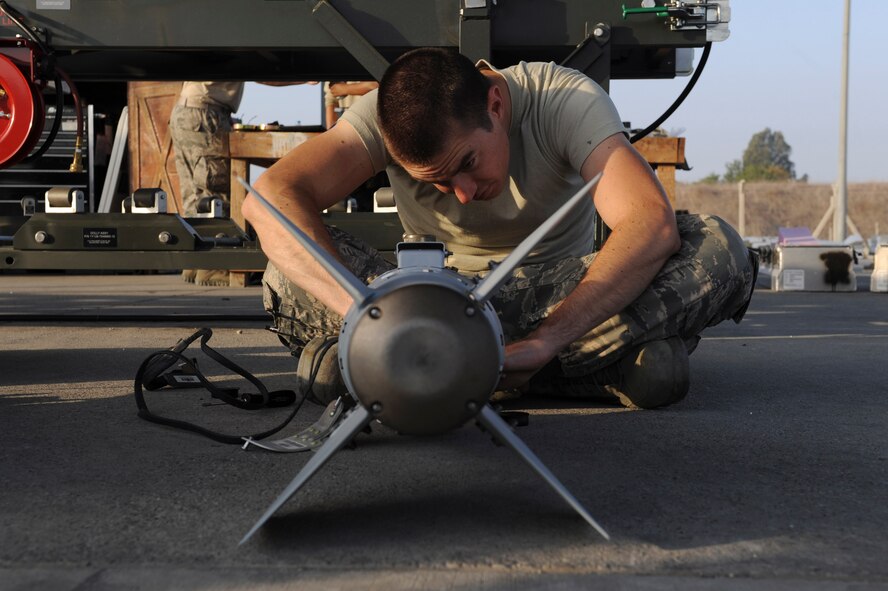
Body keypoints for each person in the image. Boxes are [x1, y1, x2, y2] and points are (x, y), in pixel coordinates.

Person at [244, 48, 757, 409]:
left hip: (554, 298)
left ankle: (407, 370)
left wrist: (548, 338)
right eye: (439, 182)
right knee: (286, 268)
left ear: (495, 103)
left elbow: (649, 222)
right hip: (426, 305)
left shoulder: (562, 98)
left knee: (719, 250)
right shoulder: (381, 117)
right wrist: (370, 314)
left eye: (466, 163)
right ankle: (593, 369)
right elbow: (269, 200)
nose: (463, 193)